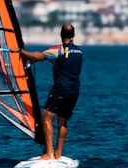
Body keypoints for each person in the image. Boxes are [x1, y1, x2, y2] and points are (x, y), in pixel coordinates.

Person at [19, 23, 84, 160]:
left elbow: (35, 57)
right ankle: (58, 154)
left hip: (60, 90)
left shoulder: (58, 50)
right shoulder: (79, 52)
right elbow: (65, 62)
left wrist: (21, 52)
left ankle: (49, 153)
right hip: (74, 91)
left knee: (46, 119)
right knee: (63, 122)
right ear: (73, 35)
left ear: (61, 35)